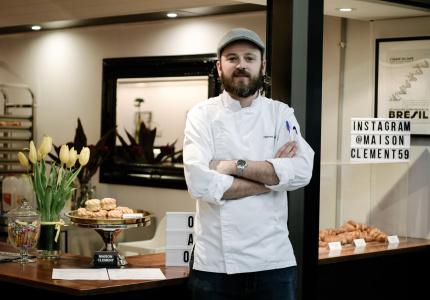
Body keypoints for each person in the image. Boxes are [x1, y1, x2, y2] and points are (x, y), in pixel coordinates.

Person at [183, 28, 314, 300]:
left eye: (249, 58)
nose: (241, 65)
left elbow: (302, 171)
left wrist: (232, 165)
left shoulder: (281, 113)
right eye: (232, 58)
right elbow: (200, 183)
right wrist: (274, 179)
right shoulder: (201, 115)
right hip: (216, 266)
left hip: (274, 263)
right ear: (219, 68)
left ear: (262, 66)